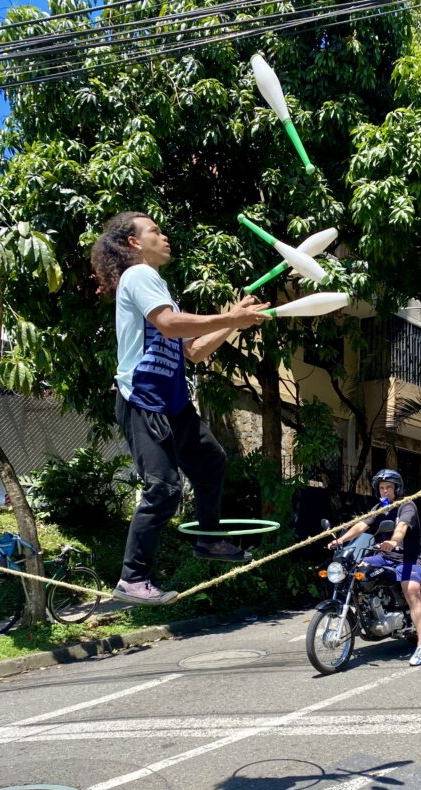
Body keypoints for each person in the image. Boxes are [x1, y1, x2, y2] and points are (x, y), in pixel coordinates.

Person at [91, 211, 269, 605]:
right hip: (143, 399)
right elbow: (171, 325)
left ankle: (208, 540)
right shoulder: (138, 276)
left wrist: (233, 323)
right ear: (134, 243)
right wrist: (231, 315)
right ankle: (132, 579)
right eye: (155, 231)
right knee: (164, 488)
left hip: (173, 403)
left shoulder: (158, 286)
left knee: (211, 462)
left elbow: (193, 350)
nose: (164, 235)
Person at [327, 468, 421, 667]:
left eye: (388, 488)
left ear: (397, 489)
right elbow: (361, 526)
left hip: (407, 558)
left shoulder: (406, 506)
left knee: (412, 591)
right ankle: (369, 614)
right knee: (356, 571)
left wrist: (394, 541)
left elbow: (401, 527)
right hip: (384, 556)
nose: (384, 491)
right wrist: (340, 540)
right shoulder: (379, 508)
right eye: (382, 488)